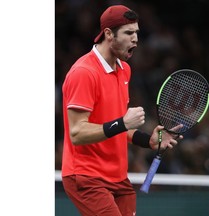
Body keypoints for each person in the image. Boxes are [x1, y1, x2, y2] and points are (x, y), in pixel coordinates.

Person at [61, 4, 183, 216]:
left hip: (118, 179)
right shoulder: (83, 73)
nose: (135, 38)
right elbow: (77, 133)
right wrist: (122, 123)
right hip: (86, 176)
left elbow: (115, 127)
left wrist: (149, 140)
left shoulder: (124, 70)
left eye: (136, 32)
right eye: (128, 33)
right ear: (108, 34)